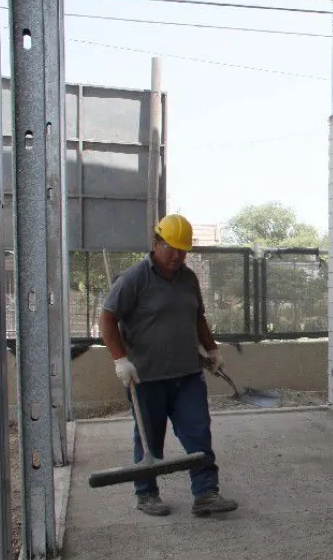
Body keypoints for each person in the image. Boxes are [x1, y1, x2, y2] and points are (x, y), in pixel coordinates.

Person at [99, 214, 238, 517]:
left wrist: (212, 350)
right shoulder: (134, 279)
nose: (177, 255)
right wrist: (120, 359)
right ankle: (146, 494)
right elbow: (107, 319)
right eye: (171, 248)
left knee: (198, 434)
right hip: (146, 378)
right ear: (156, 243)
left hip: (187, 374)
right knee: (149, 439)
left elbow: (198, 317)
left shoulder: (189, 279)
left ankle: (206, 493)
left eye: (182, 250)